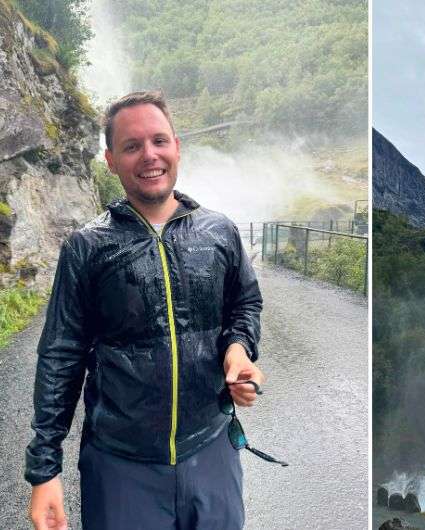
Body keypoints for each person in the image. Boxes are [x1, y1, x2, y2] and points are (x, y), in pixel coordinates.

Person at [25, 90, 265, 530]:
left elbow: (244, 304)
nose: (149, 155)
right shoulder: (87, 247)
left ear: (177, 146)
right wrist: (45, 470)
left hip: (212, 450)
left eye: (158, 141)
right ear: (111, 160)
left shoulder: (220, 232)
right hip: (120, 466)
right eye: (131, 146)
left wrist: (238, 348)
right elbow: (61, 355)